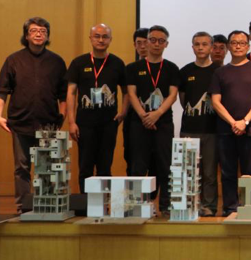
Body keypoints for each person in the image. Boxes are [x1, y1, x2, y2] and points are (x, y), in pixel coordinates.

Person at [0, 17, 67, 212]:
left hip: (48, 123)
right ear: (26, 35)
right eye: (34, 30)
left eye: (43, 31)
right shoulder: (13, 60)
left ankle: (46, 205)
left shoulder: (57, 61)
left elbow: (64, 94)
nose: (38, 34)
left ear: (48, 36)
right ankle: (23, 206)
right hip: (20, 122)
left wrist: (62, 115)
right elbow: (2, 90)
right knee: (21, 168)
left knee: (47, 168)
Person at [210, 30, 251, 216]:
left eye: (242, 43)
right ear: (228, 46)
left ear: (248, 46)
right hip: (225, 130)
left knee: (249, 171)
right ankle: (230, 208)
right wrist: (233, 123)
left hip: (250, 129)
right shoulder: (220, 72)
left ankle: (250, 208)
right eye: (234, 43)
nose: (238, 46)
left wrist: (245, 121)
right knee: (227, 172)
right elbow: (215, 102)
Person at [126, 25, 180, 216]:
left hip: (163, 123)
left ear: (166, 44)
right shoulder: (133, 68)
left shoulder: (172, 68)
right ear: (147, 42)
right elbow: (131, 94)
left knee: (164, 165)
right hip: (138, 123)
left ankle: (165, 206)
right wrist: (144, 115)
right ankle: (137, 206)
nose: (157, 44)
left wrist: (157, 114)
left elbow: (173, 95)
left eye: (161, 41)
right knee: (138, 165)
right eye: (153, 40)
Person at [65, 24, 126, 193]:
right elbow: (71, 93)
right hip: (84, 123)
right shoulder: (79, 63)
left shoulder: (117, 63)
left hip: (109, 123)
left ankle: (103, 201)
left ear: (110, 39)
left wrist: (123, 112)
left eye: (105, 36)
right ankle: (86, 201)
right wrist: (71, 122)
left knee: (105, 166)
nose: (101, 40)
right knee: (85, 166)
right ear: (90, 38)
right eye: (97, 36)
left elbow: (126, 91)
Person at [178, 31, 221, 217]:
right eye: (197, 44)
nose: (201, 48)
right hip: (189, 129)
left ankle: (209, 206)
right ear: (192, 47)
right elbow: (183, 99)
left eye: (205, 44)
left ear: (211, 47)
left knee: (210, 173)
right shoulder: (185, 71)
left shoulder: (218, 71)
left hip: (212, 130)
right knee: (188, 172)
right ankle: (189, 206)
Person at [124, 27, 149, 174]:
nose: (143, 46)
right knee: (132, 159)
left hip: (156, 118)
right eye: (139, 43)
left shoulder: (164, 67)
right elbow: (128, 94)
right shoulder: (130, 68)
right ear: (134, 45)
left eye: (146, 42)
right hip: (134, 119)